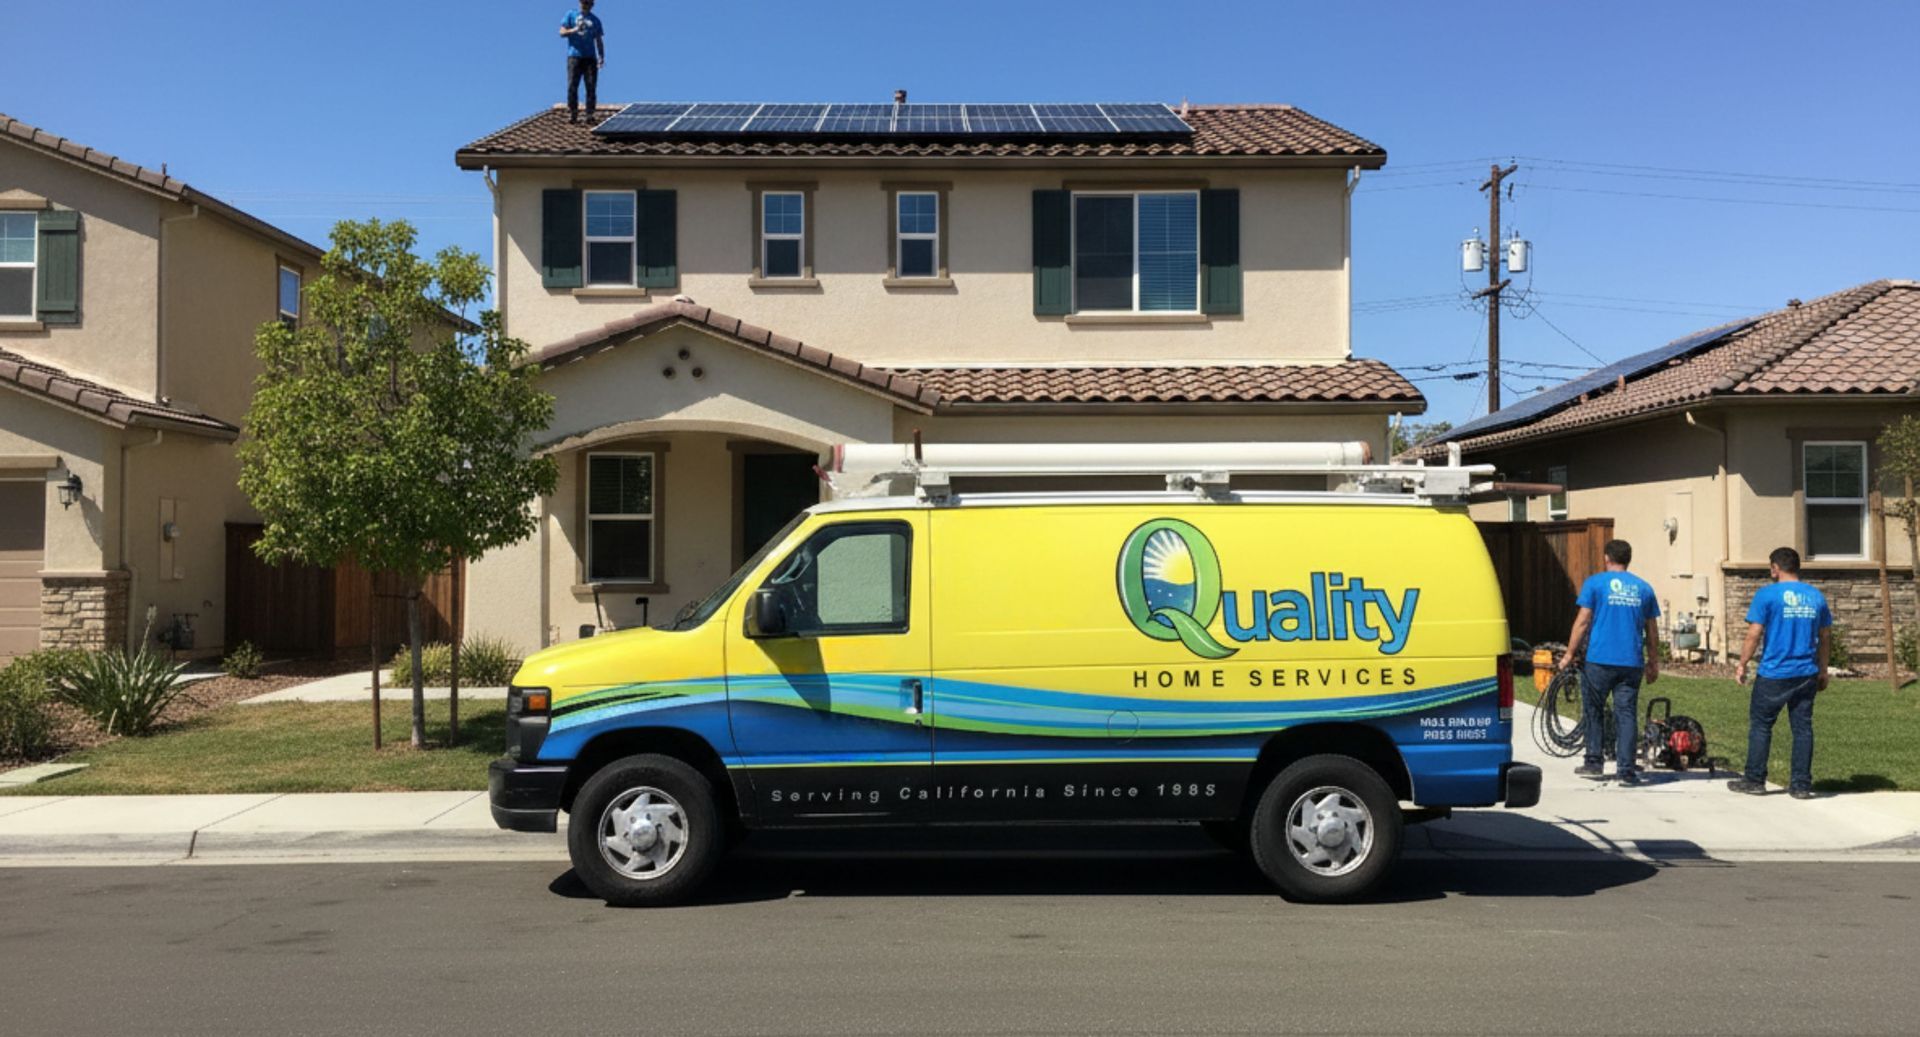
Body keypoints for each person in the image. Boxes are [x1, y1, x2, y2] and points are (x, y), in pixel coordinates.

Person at [1729, 547, 1831, 799]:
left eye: (1770, 567)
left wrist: (1742, 663)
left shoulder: (1767, 595)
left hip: (1774, 672)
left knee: (1762, 725)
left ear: (1775, 568)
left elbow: (1754, 634)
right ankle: (1801, 785)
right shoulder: (1815, 596)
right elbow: (1825, 636)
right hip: (1806, 672)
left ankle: (1754, 779)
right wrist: (1823, 670)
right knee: (1802, 729)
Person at [1558, 539, 1660, 785]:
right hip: (1631, 662)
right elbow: (1652, 629)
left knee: (1593, 710)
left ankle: (1594, 762)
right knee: (1626, 714)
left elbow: (1582, 621)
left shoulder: (1595, 584)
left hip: (1599, 660)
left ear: (1607, 558)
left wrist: (1569, 654)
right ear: (1628, 559)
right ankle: (1626, 770)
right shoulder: (1643, 588)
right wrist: (1653, 661)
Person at [560, 0, 606, 124]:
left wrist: (601, 56)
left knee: (591, 86)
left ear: (592, 5)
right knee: (572, 86)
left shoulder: (595, 20)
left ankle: (589, 114)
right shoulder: (571, 15)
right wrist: (573, 30)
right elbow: (562, 32)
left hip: (590, 57)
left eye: (588, 3)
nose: (585, 5)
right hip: (574, 56)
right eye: (583, 2)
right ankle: (572, 112)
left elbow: (598, 40)